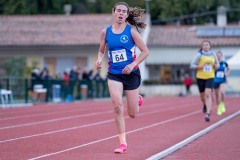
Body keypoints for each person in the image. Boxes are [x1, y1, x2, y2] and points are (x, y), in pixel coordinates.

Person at [95, 2, 149, 154]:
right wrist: (99, 60)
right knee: (118, 107)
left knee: (133, 114)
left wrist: (133, 65)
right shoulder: (105, 32)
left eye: (123, 11)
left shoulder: (131, 32)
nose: (120, 13)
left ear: (126, 15)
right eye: (118, 10)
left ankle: (137, 98)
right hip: (114, 74)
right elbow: (101, 51)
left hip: (131, 74)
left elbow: (145, 52)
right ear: (113, 12)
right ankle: (123, 143)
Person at [190, 40, 219, 122]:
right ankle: (205, 104)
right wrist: (199, 66)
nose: (206, 46)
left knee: (207, 93)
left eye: (207, 45)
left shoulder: (213, 55)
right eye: (204, 45)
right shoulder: (199, 55)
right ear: (202, 47)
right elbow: (191, 65)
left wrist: (215, 66)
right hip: (200, 77)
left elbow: (218, 65)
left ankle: (208, 114)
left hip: (210, 76)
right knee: (202, 97)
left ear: (210, 46)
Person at [214, 51, 230, 115]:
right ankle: (218, 107)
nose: (218, 57)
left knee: (222, 92)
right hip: (215, 80)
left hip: (222, 80)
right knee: (217, 95)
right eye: (217, 56)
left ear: (221, 56)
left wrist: (227, 74)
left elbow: (228, 69)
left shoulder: (224, 63)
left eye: (219, 55)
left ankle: (222, 104)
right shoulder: (214, 63)